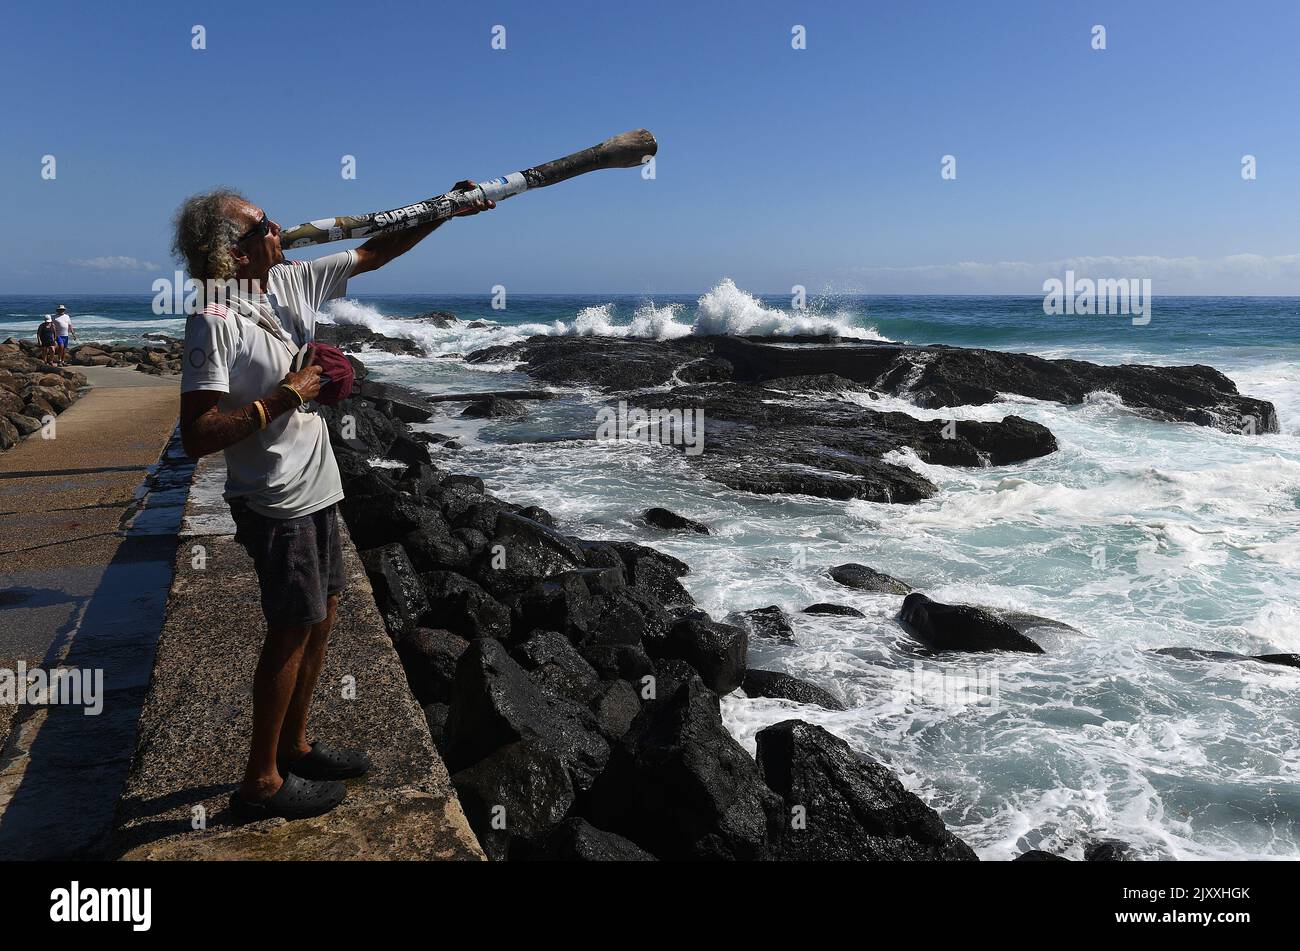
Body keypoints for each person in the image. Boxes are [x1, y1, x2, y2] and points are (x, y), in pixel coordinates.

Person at [172, 185, 493, 822]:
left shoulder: (288, 282)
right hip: (274, 499)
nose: (278, 228)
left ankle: (294, 746)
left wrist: (444, 211)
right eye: (262, 225)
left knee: (323, 618)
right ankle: (260, 782)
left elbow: (374, 252)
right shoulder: (213, 321)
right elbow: (197, 435)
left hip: (318, 485)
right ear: (231, 254)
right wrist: (288, 395)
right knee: (291, 628)